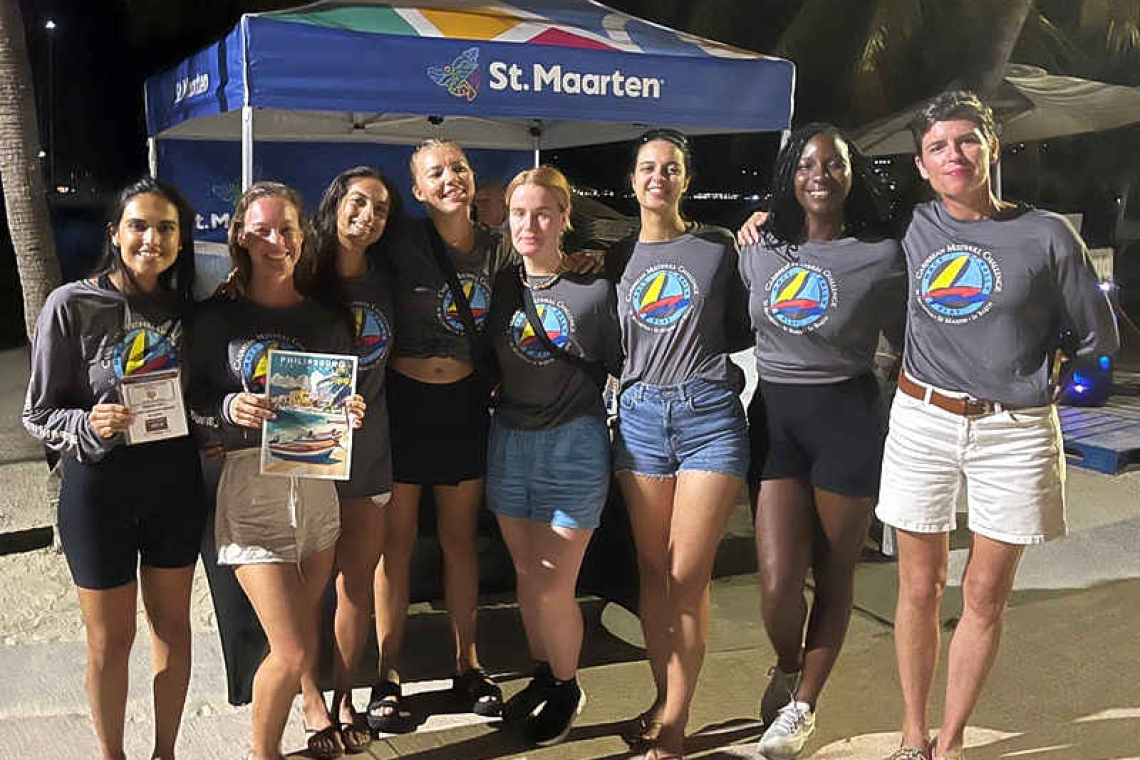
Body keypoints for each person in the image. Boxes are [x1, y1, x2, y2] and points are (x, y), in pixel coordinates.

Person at [875, 91, 1117, 760]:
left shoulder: (1044, 234)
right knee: (917, 587)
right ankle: (912, 735)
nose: (953, 154)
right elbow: (817, 237)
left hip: (1014, 432)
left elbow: (1097, 340)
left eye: (965, 141)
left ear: (991, 149)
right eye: (937, 146)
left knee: (982, 593)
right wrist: (755, 227)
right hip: (922, 419)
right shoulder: (910, 227)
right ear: (922, 166)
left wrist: (1047, 389)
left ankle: (950, 742)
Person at [23, 177, 206, 760]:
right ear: (115, 234)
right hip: (99, 487)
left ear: (180, 241)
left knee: (172, 631)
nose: (152, 238)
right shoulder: (71, 304)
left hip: (175, 483)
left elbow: (198, 397)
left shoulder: (188, 311)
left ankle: (165, 753)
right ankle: (112, 756)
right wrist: (88, 426)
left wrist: (216, 429)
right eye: (139, 225)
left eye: (166, 228)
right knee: (110, 641)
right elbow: (38, 412)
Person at [738, 123, 905, 759]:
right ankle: (787, 666)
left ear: (852, 174)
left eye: (833, 165)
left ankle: (803, 705)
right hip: (776, 417)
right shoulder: (759, 246)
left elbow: (920, 335)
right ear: (789, 175)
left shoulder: (882, 254)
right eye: (806, 164)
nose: (820, 175)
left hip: (847, 417)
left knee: (833, 577)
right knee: (778, 585)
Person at [188, 181, 366, 760]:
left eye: (286, 229)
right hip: (250, 495)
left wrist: (350, 411)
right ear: (240, 235)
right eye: (262, 229)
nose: (276, 241)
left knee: (298, 639)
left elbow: (333, 402)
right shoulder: (215, 318)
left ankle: (308, 711)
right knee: (290, 651)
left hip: (316, 493)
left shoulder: (325, 319)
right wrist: (223, 410)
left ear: (302, 236)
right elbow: (184, 405)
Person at [609, 129, 753, 760]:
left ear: (686, 180)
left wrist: (766, 223)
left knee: (686, 574)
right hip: (639, 418)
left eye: (670, 168)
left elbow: (765, 291)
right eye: (647, 168)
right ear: (633, 180)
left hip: (708, 415)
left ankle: (674, 722)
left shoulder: (718, 246)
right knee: (651, 574)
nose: (658, 177)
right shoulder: (613, 257)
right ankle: (662, 695)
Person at [370, 139, 514, 727]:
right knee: (395, 547)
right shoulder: (399, 239)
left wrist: (580, 260)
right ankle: (387, 675)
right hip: (402, 405)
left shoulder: (498, 250)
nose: (451, 177)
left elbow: (560, 255)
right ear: (419, 191)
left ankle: (468, 665)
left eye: (459, 167)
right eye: (437, 173)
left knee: (459, 542)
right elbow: (336, 263)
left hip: (463, 405)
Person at [485, 166, 622, 746]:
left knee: (552, 583)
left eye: (543, 213)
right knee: (525, 575)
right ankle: (545, 675)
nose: (529, 224)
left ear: (566, 218)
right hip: (510, 441)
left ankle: (568, 687)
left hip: (575, 443)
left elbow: (628, 360)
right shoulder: (502, 287)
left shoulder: (596, 288)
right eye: (520, 212)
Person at [290, 167, 402, 757]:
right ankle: (309, 697)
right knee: (308, 588)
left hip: (371, 452)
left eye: (381, 209)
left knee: (356, 583)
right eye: (358, 202)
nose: (368, 215)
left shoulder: (388, 280)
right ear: (334, 203)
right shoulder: (300, 276)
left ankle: (344, 695)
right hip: (308, 450)